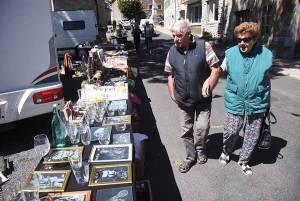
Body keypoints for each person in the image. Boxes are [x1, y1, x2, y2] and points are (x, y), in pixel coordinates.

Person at [165, 20, 220, 173]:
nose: (176, 39)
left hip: (202, 100)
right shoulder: (172, 51)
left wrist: (209, 84)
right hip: (183, 100)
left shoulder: (204, 47)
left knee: (203, 128)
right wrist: (172, 94)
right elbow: (170, 75)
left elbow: (215, 69)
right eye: (173, 36)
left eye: (179, 36)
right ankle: (190, 157)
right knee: (186, 130)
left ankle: (201, 150)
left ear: (188, 34)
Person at [218, 22, 272, 176]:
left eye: (246, 39)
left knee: (252, 133)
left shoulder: (265, 54)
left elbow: (267, 78)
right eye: (239, 40)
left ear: (254, 39)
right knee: (231, 130)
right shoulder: (231, 53)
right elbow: (221, 69)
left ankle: (244, 160)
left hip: (257, 99)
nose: (242, 43)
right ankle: (226, 150)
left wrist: (268, 102)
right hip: (235, 98)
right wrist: (211, 73)